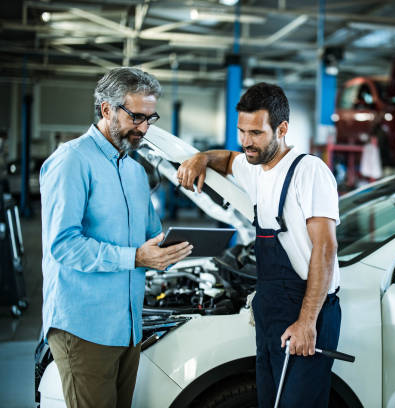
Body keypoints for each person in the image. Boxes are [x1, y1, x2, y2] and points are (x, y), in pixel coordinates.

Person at [177, 82, 341, 407]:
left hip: (306, 310)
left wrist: (307, 322)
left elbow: (325, 249)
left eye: (255, 133)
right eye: (242, 131)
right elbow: (226, 159)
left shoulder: (308, 172)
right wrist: (200, 158)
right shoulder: (256, 169)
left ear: (282, 129)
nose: (246, 142)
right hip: (270, 312)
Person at [40, 67, 193, 408]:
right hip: (84, 328)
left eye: (149, 118)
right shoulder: (72, 161)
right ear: (106, 109)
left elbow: (150, 235)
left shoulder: (135, 171)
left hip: (128, 328)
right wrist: (135, 257)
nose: (143, 128)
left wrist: (172, 249)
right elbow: (64, 245)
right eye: (135, 116)